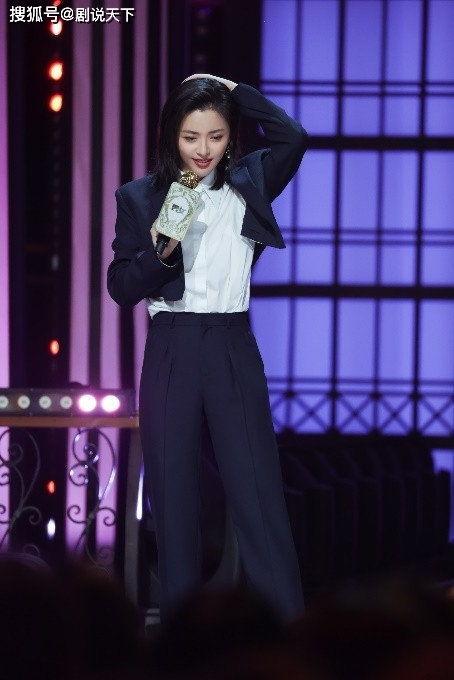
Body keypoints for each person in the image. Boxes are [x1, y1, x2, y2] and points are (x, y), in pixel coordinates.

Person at [107, 73, 309, 624]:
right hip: (171, 347)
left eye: (216, 136)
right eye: (190, 136)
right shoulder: (140, 196)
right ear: (171, 134)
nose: (203, 149)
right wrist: (160, 254)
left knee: (258, 494)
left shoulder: (252, 179)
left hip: (231, 344)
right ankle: (181, 637)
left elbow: (293, 136)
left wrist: (231, 89)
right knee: (173, 500)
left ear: (231, 136)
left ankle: (289, 631)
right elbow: (121, 287)